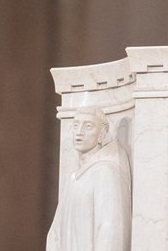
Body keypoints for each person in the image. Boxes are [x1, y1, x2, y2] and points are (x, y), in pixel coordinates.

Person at [47, 106, 132, 251]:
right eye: (76, 125)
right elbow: (55, 233)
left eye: (88, 126)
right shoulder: (73, 179)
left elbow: (110, 231)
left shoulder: (106, 172)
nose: (79, 132)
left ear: (101, 135)